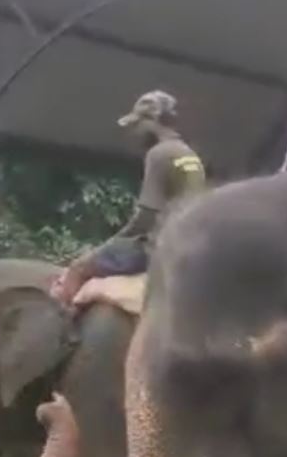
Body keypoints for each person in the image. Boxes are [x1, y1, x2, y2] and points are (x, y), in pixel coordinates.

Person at [50, 90, 206, 307]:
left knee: (78, 268)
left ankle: (65, 320)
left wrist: (108, 245)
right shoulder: (189, 154)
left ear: (152, 121)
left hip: (156, 248)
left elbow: (145, 217)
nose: (134, 133)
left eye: (137, 125)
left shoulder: (159, 154)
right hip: (185, 244)